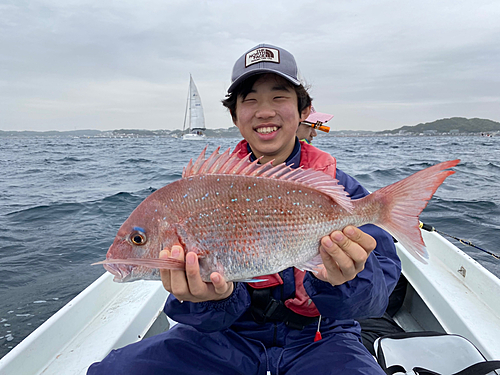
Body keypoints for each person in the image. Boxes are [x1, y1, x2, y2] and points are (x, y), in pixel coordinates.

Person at [87, 43, 401, 375]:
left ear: (304, 110)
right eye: (250, 100)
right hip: (225, 337)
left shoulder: (342, 193)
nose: (264, 111)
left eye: (279, 97)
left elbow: (375, 301)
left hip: (323, 339)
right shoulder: (198, 190)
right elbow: (206, 318)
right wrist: (209, 299)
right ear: (235, 116)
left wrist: (346, 280)